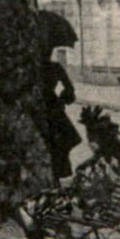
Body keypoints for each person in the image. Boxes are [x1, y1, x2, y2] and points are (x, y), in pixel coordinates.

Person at [43, 46, 80, 180]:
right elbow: (70, 91)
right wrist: (61, 100)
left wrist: (61, 100)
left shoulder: (33, 69)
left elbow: (70, 91)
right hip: (52, 109)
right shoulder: (55, 67)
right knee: (58, 148)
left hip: (43, 110)